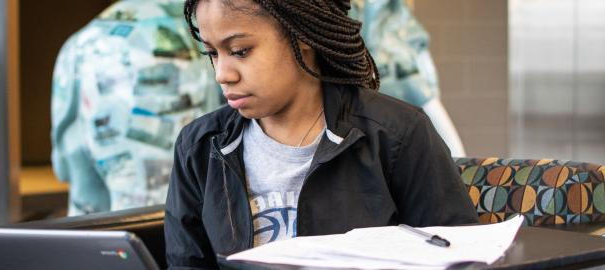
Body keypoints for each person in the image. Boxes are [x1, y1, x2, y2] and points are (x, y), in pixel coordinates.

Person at [164, 0, 478, 268]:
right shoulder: (199, 145)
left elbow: (458, 256)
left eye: (241, 51)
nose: (222, 74)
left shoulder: (398, 134)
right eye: (213, 53)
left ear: (302, 37)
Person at [51, 0, 221, 216]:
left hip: (83, 47)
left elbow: (69, 170)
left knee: (85, 219)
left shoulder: (89, 35)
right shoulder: (209, 16)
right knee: (147, 211)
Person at [349, 0, 466, 157]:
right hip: (381, 78)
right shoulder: (357, 11)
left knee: (449, 145)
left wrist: (429, 89)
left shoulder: (399, 13)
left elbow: (420, 49)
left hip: (402, 77)